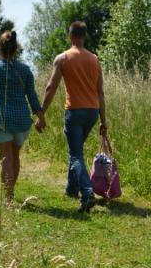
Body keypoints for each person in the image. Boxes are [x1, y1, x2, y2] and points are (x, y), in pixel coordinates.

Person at [36, 21, 107, 213]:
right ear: (85, 36)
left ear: (70, 36)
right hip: (92, 112)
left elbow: (51, 87)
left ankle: (87, 193)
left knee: (75, 154)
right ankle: (71, 188)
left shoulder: (63, 58)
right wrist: (103, 120)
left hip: (74, 112)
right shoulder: (94, 59)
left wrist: (41, 112)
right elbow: (100, 92)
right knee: (76, 150)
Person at [0, 30, 45, 203]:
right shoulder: (25, 70)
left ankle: (8, 197)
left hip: (1, 118)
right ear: (16, 48)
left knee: (6, 158)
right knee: (15, 156)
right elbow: (32, 96)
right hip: (21, 119)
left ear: (0, 48)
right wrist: (41, 117)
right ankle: (11, 192)